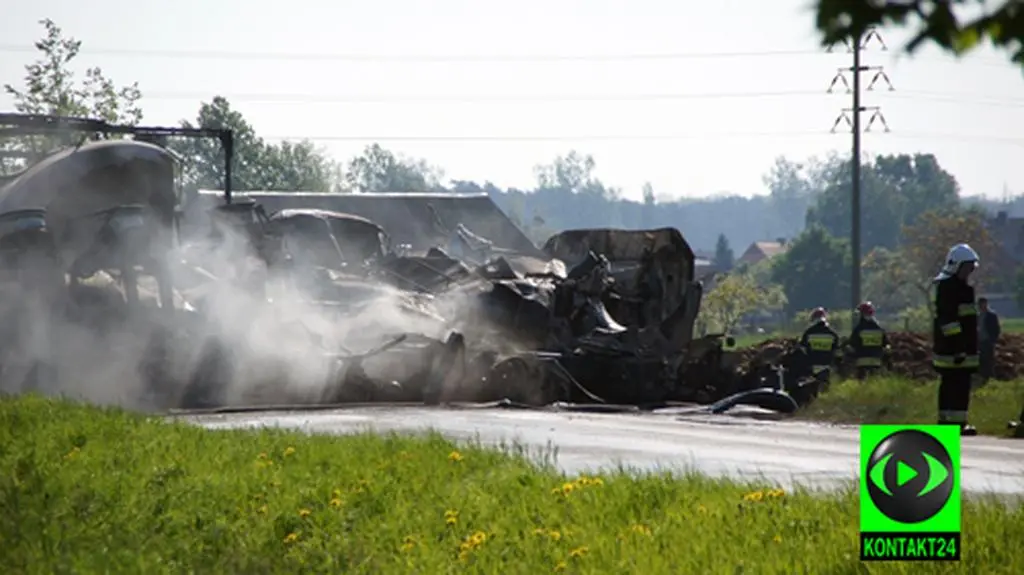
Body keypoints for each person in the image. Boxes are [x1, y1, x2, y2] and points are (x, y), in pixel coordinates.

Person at [931, 243, 981, 436]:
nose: (970, 271)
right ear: (956, 265)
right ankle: (955, 424)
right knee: (956, 386)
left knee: (956, 385)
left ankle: (950, 423)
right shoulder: (949, 288)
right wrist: (959, 347)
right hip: (954, 350)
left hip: (960, 349)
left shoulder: (961, 288)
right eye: (967, 267)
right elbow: (949, 321)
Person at [848, 301, 890, 380]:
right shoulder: (879, 329)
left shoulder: (859, 329)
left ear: (862, 314)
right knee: (875, 382)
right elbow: (886, 345)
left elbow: (852, 346)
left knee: (862, 383)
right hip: (876, 361)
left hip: (862, 362)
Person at [799, 307, 841, 382]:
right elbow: (837, 352)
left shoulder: (809, 332)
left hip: (812, 366)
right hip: (826, 366)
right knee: (824, 387)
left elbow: (802, 349)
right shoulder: (832, 333)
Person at [977, 297, 1001, 386]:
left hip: (988, 341)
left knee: (989, 360)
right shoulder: (977, 316)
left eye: (983, 304)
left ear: (986, 304)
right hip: (980, 341)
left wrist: (993, 340)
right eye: (979, 304)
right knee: (981, 360)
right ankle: (982, 377)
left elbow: (996, 329)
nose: (981, 306)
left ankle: (990, 378)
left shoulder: (992, 316)